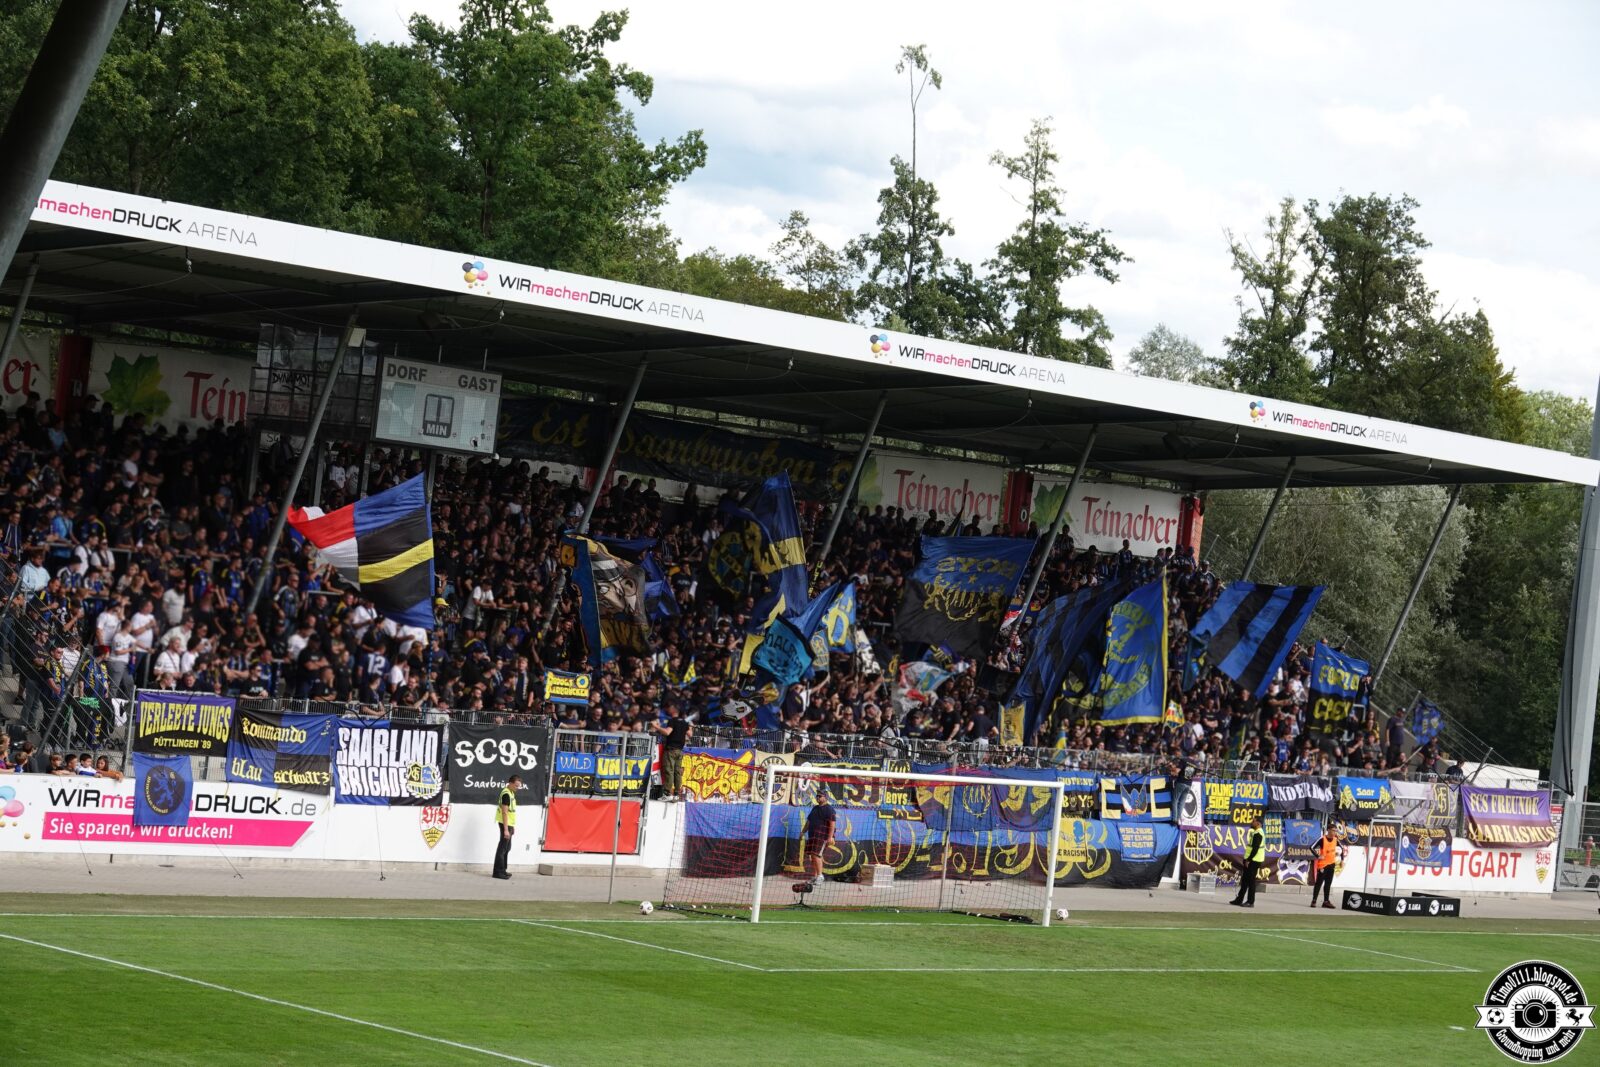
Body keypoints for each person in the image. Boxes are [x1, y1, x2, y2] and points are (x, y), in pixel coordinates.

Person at [802, 785, 837, 887]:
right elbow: (808, 822)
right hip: (812, 836)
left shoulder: (829, 809)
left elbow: (832, 824)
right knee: (812, 856)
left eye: (820, 796)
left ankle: (820, 876)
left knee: (817, 855)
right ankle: (816, 876)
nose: (817, 798)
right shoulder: (815, 808)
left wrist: (830, 837)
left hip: (822, 837)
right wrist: (802, 832)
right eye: (817, 796)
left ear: (825, 797)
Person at [1230, 814, 1266, 908]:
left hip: (1254, 860)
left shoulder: (1258, 834)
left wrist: (1249, 860)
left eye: (1253, 821)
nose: (1251, 822)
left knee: (1251, 881)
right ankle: (1239, 899)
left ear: (1258, 823)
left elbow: (1255, 849)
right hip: (1251, 859)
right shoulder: (1256, 832)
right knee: (1245, 880)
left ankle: (1250, 901)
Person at [493, 774, 522, 880]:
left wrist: (512, 827)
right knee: (502, 848)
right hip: (505, 824)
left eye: (518, 786)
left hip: (509, 824)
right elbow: (505, 813)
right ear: (510, 783)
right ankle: (498, 872)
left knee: (507, 848)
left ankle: (503, 870)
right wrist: (506, 829)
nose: (517, 788)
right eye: (516, 785)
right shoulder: (506, 794)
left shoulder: (511, 793)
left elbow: (511, 812)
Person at [1311, 824, 1341, 909]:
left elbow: (1341, 849)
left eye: (1335, 831)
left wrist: (1341, 858)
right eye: (1333, 830)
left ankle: (1326, 901)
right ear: (1328, 830)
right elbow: (1311, 847)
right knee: (1319, 883)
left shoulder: (1336, 840)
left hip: (1331, 864)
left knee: (1328, 884)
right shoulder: (1322, 839)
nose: (1335, 832)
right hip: (1323, 865)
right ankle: (1314, 901)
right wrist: (1318, 856)